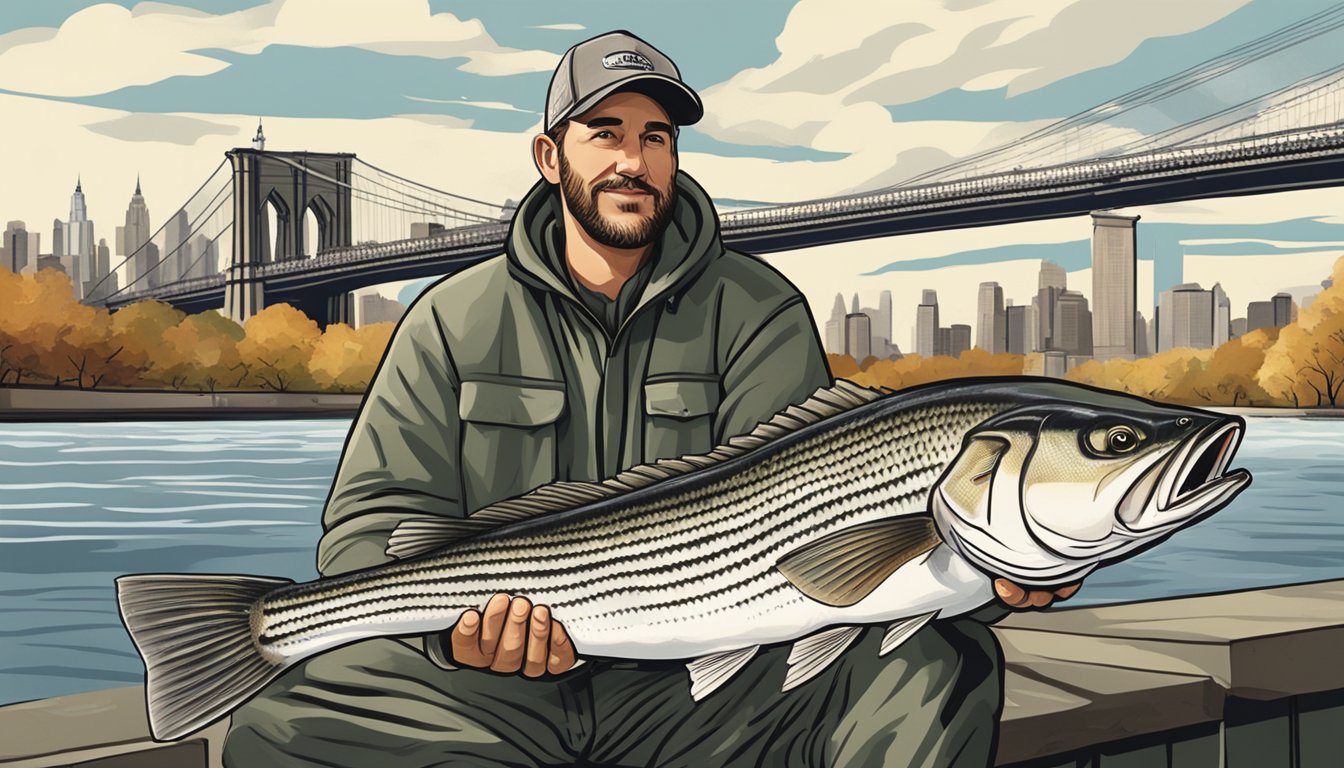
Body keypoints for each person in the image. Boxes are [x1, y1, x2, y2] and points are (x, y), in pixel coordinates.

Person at [222, 30, 1079, 767]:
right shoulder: (451, 316)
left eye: (657, 137)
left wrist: (981, 568)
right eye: (605, 134)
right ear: (550, 156)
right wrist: (450, 633)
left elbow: (824, 526)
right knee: (282, 725)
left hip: (706, 689)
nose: (635, 161)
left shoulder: (757, 308)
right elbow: (369, 527)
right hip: (488, 687)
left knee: (940, 662)